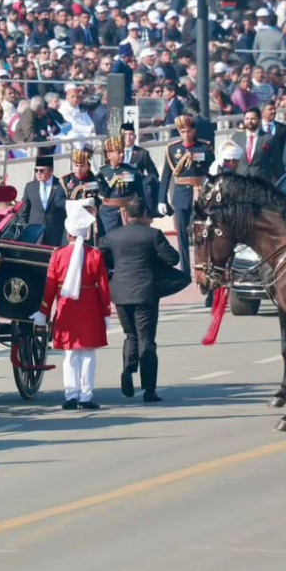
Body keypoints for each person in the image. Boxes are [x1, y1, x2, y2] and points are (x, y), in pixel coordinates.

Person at [31, 200, 111, 410]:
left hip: (66, 307)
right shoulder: (95, 255)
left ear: (68, 234)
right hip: (90, 308)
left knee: (70, 355)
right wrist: (106, 312)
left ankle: (71, 395)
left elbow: (49, 287)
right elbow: (103, 287)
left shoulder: (58, 255)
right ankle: (85, 396)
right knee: (88, 355)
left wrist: (43, 312)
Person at [100, 198, 181, 403]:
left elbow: (100, 257)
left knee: (130, 335)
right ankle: (149, 390)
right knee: (147, 339)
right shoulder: (153, 234)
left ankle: (128, 370)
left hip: (120, 293)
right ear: (145, 215)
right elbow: (173, 259)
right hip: (145, 293)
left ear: (126, 215)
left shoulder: (113, 235)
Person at [158, 114, 214, 279]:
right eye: (182, 131)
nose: (185, 134)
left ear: (194, 130)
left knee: (200, 233)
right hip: (181, 194)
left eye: (188, 130)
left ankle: (202, 267)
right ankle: (185, 271)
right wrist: (162, 199)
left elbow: (213, 170)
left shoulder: (204, 148)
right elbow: (166, 176)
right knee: (181, 234)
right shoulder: (173, 149)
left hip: (199, 194)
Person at [97, 134, 143, 236]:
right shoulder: (102, 172)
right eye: (118, 152)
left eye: (122, 151)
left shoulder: (132, 171)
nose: (122, 155)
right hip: (108, 215)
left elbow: (140, 194)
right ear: (109, 155)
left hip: (128, 212)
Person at [21, 154, 67, 247]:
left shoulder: (61, 185)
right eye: (36, 170)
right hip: (34, 236)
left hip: (55, 235)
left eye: (42, 170)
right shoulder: (30, 187)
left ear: (51, 171)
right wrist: (26, 227)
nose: (38, 173)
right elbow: (24, 211)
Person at [122, 123, 161, 217]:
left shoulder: (142, 153)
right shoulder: (115, 153)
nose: (128, 137)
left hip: (137, 192)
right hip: (120, 191)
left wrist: (144, 180)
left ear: (135, 136)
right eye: (124, 135)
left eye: (130, 134)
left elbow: (154, 173)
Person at [232, 107, 276, 182]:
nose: (249, 121)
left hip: (261, 182)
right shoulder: (236, 138)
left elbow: (277, 163)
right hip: (241, 181)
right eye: (247, 119)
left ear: (259, 120)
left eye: (253, 118)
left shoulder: (268, 138)